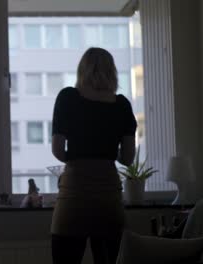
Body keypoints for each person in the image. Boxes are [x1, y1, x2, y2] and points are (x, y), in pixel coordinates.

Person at [50, 47, 137, 264]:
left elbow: (58, 150)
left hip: (74, 196)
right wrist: (104, 150)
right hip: (108, 198)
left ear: (82, 71)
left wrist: (82, 150)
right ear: (112, 72)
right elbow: (127, 158)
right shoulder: (122, 105)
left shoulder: (68, 98)